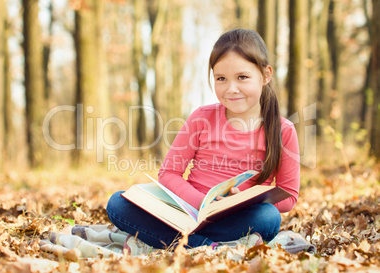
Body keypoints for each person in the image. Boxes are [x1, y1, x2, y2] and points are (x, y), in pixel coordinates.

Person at [106, 29, 300, 255]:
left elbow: (288, 196)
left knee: (268, 217)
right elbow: (169, 173)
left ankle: (178, 243)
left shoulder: (283, 130)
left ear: (266, 75)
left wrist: (244, 202)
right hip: (187, 211)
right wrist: (202, 203)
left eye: (242, 77)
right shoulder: (201, 117)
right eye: (221, 79)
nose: (231, 88)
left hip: (238, 217)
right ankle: (207, 246)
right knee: (118, 203)